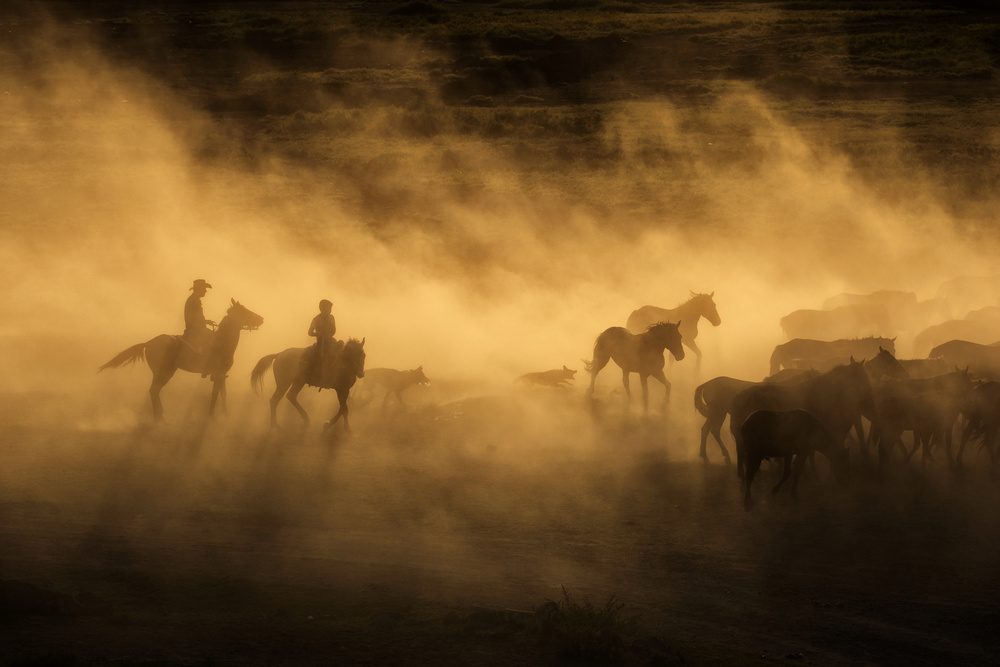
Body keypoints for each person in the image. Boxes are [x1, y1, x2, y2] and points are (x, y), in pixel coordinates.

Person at [182, 279, 217, 377]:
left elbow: (195, 317)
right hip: (194, 329)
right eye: (204, 289)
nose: (205, 291)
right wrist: (203, 329)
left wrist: (206, 322)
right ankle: (207, 368)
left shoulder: (194, 300)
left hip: (195, 327)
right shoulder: (194, 301)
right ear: (199, 289)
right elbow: (192, 320)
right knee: (213, 340)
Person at [307, 299, 337, 386]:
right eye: (329, 308)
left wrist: (328, 335)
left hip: (330, 341)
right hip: (320, 343)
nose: (330, 310)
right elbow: (309, 332)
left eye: (331, 308)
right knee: (321, 356)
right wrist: (318, 335)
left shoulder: (331, 317)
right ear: (322, 308)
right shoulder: (316, 319)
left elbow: (334, 330)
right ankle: (322, 377)